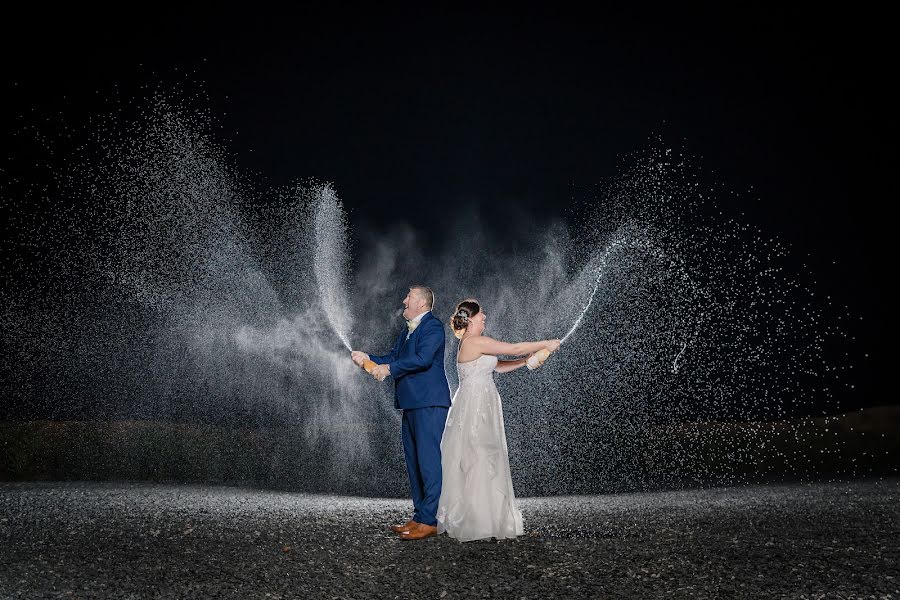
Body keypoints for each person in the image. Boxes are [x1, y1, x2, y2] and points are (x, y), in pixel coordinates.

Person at [436, 298, 559, 542]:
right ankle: (478, 522)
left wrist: (526, 361)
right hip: (476, 406)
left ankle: (489, 520)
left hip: (482, 401)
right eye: (481, 314)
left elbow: (497, 366)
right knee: (480, 455)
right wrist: (547, 342)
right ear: (470, 319)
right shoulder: (475, 341)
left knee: (485, 455)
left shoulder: (473, 344)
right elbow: (513, 348)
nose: (485, 317)